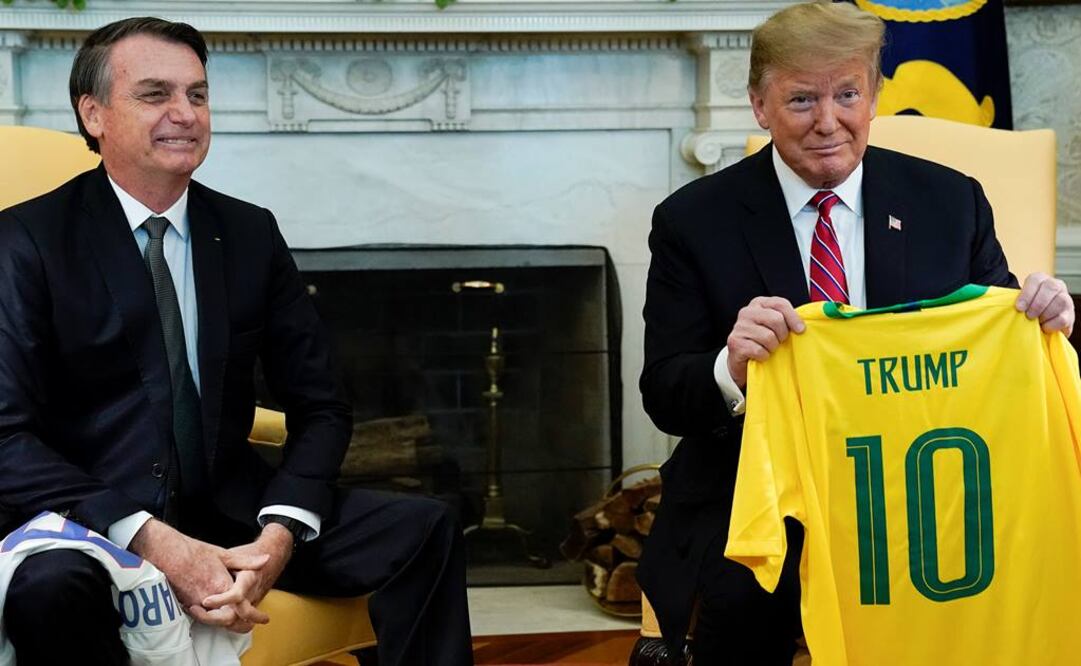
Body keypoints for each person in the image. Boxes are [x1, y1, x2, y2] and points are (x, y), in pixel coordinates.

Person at [0, 17, 474, 666]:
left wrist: (281, 529)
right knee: (50, 587)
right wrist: (154, 541)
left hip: (231, 505)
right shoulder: (25, 240)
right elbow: (6, 434)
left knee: (425, 529)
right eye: (155, 94)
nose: (185, 114)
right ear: (94, 114)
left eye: (197, 95)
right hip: (88, 516)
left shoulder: (248, 233)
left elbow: (321, 405)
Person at [636, 2, 1074, 664]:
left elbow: (1000, 345)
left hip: (923, 502)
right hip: (759, 501)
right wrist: (730, 366)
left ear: (873, 96)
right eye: (801, 100)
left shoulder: (949, 201)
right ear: (758, 104)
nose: (827, 122)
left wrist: (1047, 320)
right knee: (740, 619)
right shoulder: (691, 220)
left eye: (846, 95)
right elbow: (664, 390)